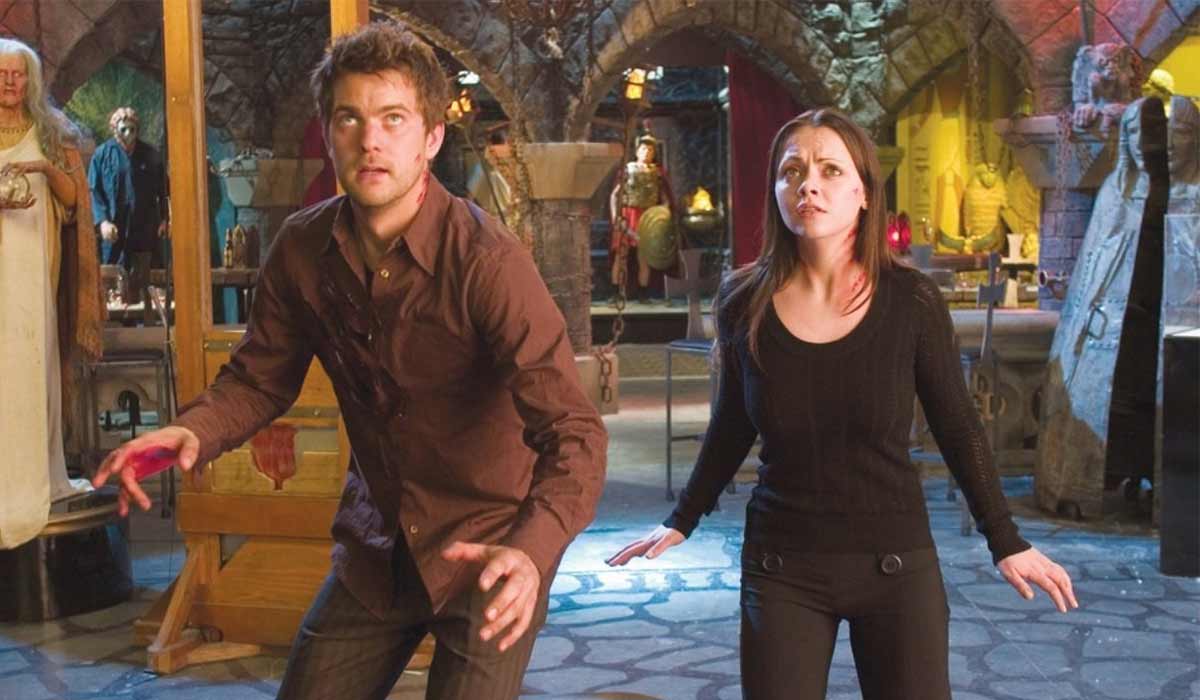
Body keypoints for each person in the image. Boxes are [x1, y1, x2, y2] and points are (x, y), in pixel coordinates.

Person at [92, 21, 606, 700]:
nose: (370, 141)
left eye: (394, 119)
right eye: (349, 119)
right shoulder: (301, 249)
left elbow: (575, 434)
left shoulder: (488, 263)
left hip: (488, 547)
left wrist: (533, 552)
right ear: (328, 134)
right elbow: (258, 380)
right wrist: (190, 431)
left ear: (431, 138)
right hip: (378, 544)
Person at [608, 108, 1077, 700]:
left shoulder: (910, 300)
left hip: (895, 561)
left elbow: (958, 426)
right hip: (782, 565)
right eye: (792, 171)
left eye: (830, 170)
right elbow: (731, 423)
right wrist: (682, 518)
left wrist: (1005, 540)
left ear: (864, 192)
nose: (808, 185)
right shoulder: (743, 300)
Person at [0, 38, 103, 549]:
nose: (9, 82)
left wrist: (43, 169)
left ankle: (36, 475)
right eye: (2, 74)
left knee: (30, 366)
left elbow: (73, 200)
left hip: (34, 271)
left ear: (31, 80)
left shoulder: (52, 130)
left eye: (18, 74)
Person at [87, 106, 168, 311]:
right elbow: (94, 191)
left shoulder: (150, 155)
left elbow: (164, 191)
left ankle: (151, 321)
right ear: (115, 129)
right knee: (113, 287)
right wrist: (102, 222)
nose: (128, 134)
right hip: (114, 233)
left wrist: (165, 219)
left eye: (132, 129)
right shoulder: (102, 155)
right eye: (123, 129)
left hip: (145, 231)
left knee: (149, 283)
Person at [609, 133, 673, 302]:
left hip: (647, 217)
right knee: (621, 255)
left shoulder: (657, 173)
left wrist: (662, 215)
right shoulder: (627, 169)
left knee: (644, 257)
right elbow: (615, 195)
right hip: (628, 215)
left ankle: (643, 293)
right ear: (637, 151)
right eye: (644, 148)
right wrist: (616, 217)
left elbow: (665, 199)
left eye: (650, 150)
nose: (647, 152)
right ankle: (616, 292)